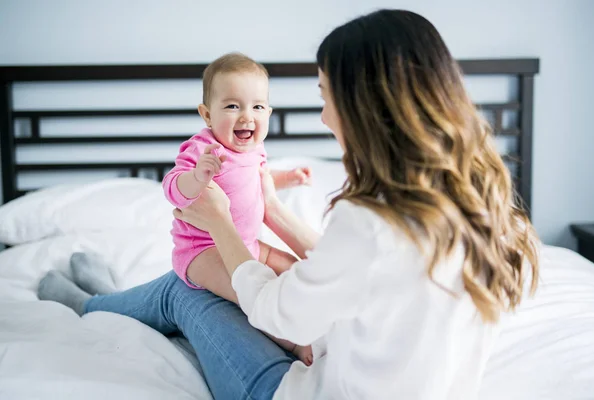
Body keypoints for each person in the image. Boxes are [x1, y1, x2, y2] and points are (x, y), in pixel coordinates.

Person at [37, 9, 539, 400]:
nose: (323, 117)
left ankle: (91, 303)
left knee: (185, 289)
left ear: (364, 103)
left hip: (295, 388)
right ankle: (100, 298)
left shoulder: (370, 219)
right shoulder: (481, 208)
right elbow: (365, 271)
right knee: (201, 273)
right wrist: (273, 212)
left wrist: (221, 227)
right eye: (231, 105)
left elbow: (282, 316)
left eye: (325, 96)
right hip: (350, 364)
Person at [162, 52, 312, 364]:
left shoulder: (256, 149)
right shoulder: (203, 150)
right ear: (206, 114)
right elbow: (172, 188)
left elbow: (258, 180)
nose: (247, 116)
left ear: (269, 112)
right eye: (232, 106)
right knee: (252, 292)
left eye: (257, 106)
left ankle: (313, 313)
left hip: (246, 244)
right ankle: (294, 343)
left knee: (295, 269)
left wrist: (287, 178)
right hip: (203, 251)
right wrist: (196, 177)